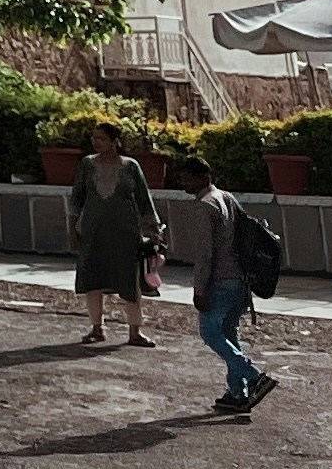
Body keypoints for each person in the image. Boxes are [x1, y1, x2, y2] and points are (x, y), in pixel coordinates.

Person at [180, 156, 277, 416]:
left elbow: (205, 253)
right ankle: (237, 393)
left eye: (187, 178)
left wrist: (199, 289)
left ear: (202, 177)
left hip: (219, 279)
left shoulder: (204, 206)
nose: (183, 184)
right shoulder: (226, 197)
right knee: (229, 332)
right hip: (239, 280)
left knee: (210, 332)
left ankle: (253, 376)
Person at [69, 119, 158, 342]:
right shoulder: (87, 165)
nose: (96, 142)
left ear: (115, 141)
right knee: (92, 278)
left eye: (101, 138)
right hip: (93, 231)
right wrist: (71, 229)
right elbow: (77, 198)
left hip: (125, 233)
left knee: (129, 280)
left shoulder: (130, 166)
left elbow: (144, 200)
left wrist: (154, 229)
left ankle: (135, 331)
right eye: (94, 138)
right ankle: (97, 328)